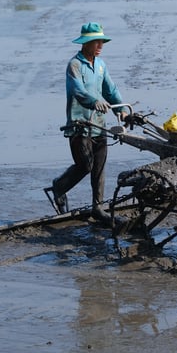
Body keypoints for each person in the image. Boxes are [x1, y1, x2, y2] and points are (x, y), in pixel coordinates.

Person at [46, 22, 129, 223]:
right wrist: (94, 102)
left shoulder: (101, 65)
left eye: (101, 41)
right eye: (95, 42)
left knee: (99, 166)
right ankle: (59, 186)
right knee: (85, 165)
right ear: (85, 43)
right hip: (79, 125)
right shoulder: (74, 65)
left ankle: (97, 208)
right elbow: (78, 91)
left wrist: (122, 110)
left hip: (99, 124)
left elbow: (110, 90)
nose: (100, 45)